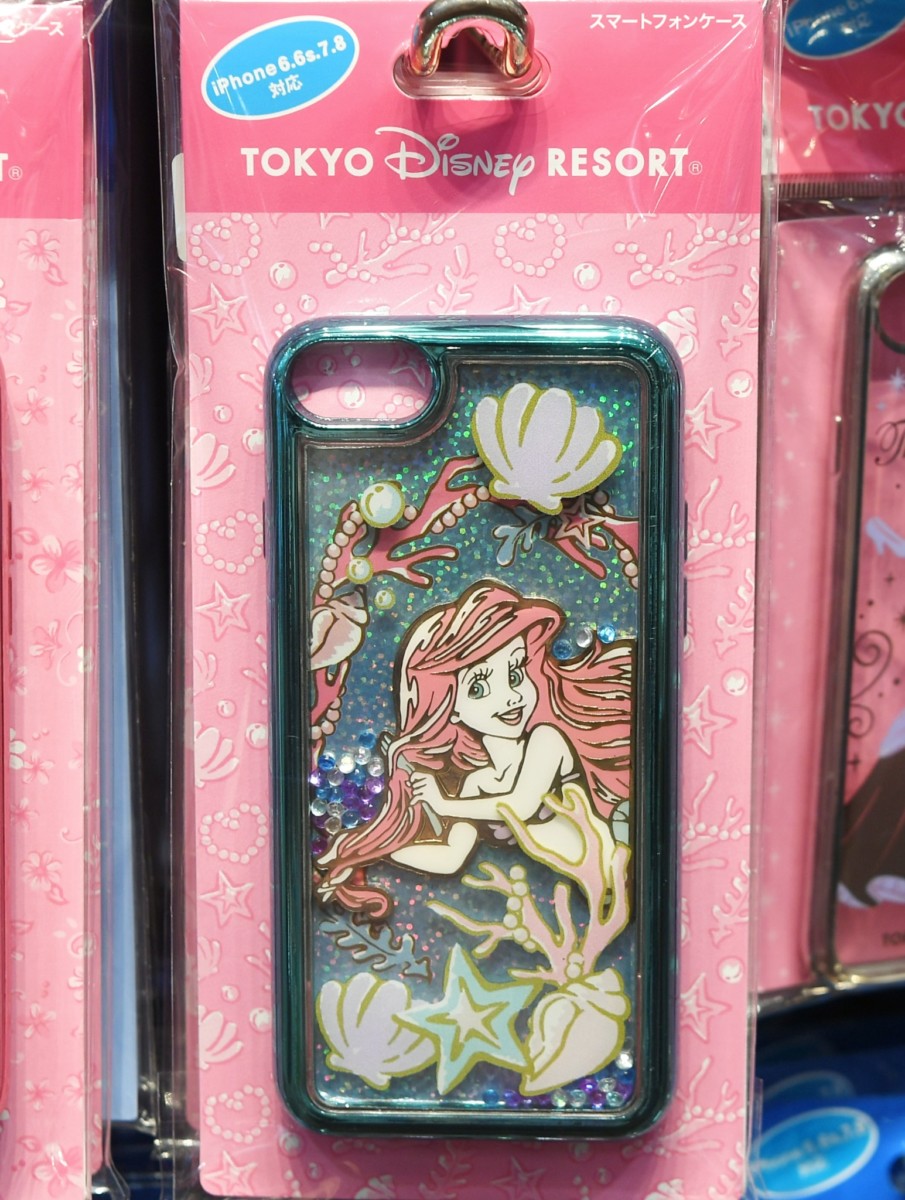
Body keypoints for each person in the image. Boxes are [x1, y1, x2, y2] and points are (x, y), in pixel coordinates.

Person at [319, 581, 633, 918]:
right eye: (480, 688)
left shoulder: (546, 739)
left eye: (515, 674)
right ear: (450, 706)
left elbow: (521, 804)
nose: (510, 697)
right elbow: (451, 857)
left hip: (621, 866)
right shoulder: (476, 783)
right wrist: (372, 852)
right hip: (595, 893)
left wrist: (443, 803)